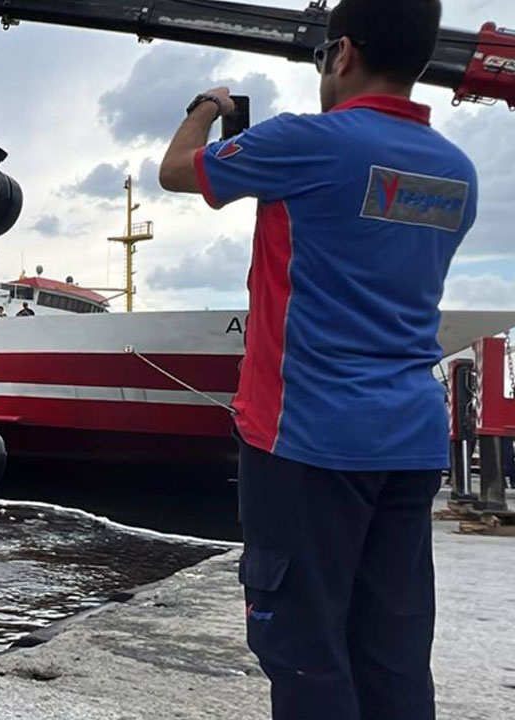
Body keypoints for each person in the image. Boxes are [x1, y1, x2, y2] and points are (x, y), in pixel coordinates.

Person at [157, 1, 475, 719]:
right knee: (392, 657)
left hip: (305, 442)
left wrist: (206, 107)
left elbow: (177, 171)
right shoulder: (457, 174)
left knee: (304, 656)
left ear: (342, 54)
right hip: (411, 442)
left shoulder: (307, 142)